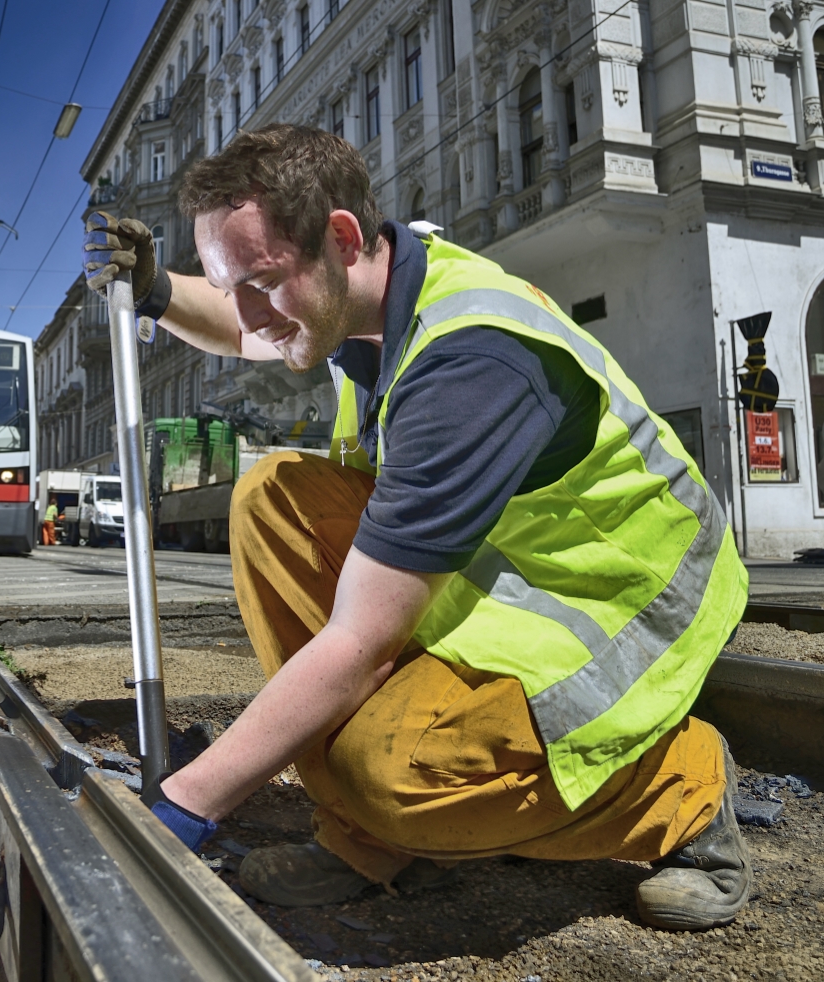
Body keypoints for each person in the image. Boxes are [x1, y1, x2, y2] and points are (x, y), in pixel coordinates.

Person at [83, 124, 750, 932]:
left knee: (396, 779)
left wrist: (181, 811)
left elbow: (357, 643)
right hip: (504, 571)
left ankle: (684, 789)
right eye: (233, 285)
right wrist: (156, 289)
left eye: (258, 280)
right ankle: (367, 838)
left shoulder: (470, 363)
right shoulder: (367, 289)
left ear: (338, 237)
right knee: (273, 496)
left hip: (622, 598)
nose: (249, 313)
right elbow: (243, 327)